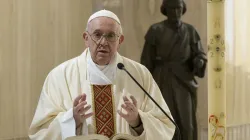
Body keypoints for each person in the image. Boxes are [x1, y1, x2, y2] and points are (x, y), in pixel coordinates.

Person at [29, 10, 175, 140]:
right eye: (97, 35)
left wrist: (138, 121)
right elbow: (40, 132)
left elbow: (165, 125)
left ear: (120, 41)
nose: (103, 42)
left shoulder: (139, 74)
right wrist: (72, 120)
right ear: (86, 38)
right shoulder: (60, 76)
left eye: (111, 36)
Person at [140, 0, 207, 140]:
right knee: (165, 119)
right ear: (165, 10)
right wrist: (146, 86)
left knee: (187, 123)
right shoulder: (155, 30)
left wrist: (199, 61)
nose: (176, 12)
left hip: (184, 80)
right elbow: (146, 61)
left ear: (183, 10)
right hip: (162, 79)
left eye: (179, 9)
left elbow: (199, 53)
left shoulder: (190, 31)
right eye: (172, 9)